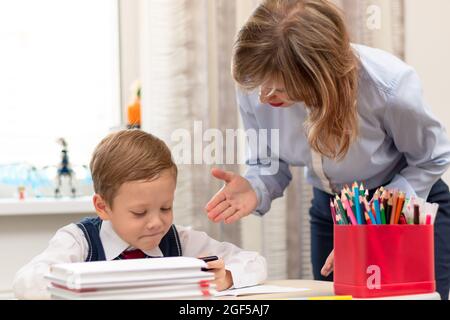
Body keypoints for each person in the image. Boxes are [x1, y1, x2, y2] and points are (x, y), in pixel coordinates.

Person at [205, 0, 450, 299]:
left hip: (403, 207)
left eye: (279, 89)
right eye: (259, 85)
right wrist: (255, 187)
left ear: (320, 76)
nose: (264, 97)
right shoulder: (257, 79)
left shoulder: (389, 86)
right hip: (334, 210)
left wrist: (378, 218)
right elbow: (268, 163)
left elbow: (432, 158)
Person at [13, 130, 267, 299]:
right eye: (139, 212)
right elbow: (25, 283)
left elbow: (256, 263)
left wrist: (227, 277)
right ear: (102, 207)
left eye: (166, 208)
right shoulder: (79, 241)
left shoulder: (180, 240)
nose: (157, 222)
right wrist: (77, 282)